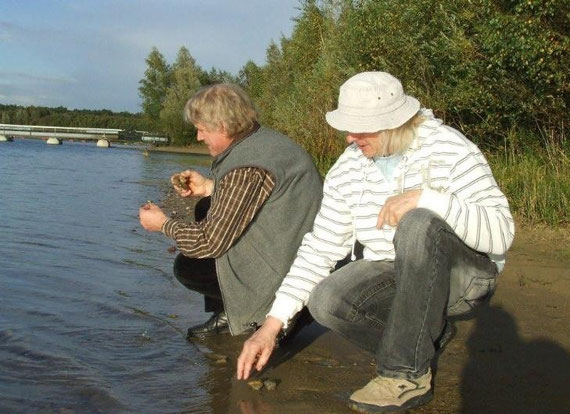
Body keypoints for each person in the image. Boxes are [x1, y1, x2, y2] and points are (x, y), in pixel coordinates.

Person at [237, 72, 515, 413]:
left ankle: (404, 375)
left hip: (465, 279)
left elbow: (502, 233)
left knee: (418, 223)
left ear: (396, 122)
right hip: (399, 278)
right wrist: (272, 325)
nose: (350, 138)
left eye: (361, 129)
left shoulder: (450, 148)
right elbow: (319, 247)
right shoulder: (347, 169)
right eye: (347, 128)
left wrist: (429, 200)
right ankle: (425, 340)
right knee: (326, 299)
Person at [139, 83, 323, 338]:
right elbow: (263, 194)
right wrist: (208, 186)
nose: (198, 138)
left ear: (222, 127)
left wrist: (162, 224)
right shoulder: (264, 140)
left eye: (201, 130)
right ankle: (229, 312)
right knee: (206, 205)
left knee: (188, 266)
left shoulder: (246, 167)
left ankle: (263, 314)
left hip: (289, 272)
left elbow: (209, 242)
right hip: (296, 246)